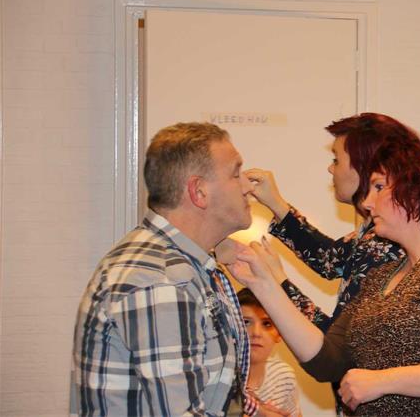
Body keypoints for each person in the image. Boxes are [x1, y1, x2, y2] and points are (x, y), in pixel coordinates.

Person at [230, 137, 420, 415]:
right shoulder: (380, 278)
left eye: (379, 187)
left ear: (418, 192)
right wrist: (264, 284)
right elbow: (327, 361)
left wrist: (383, 381)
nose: (367, 203)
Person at [70, 122, 274, 416]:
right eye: (235, 174)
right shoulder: (161, 281)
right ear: (199, 192)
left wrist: (253, 410)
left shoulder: (185, 264)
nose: (247, 186)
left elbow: (209, 385)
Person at [240, 113, 419, 330]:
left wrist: (275, 281)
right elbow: (330, 259)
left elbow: (335, 342)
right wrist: (276, 204)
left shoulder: (384, 243)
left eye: (336, 160)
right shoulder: (377, 233)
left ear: (365, 168)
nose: (331, 169)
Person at [228, 289, 302, 417]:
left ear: (280, 333)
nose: (256, 333)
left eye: (267, 324)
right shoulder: (218, 378)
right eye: (246, 322)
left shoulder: (282, 377)